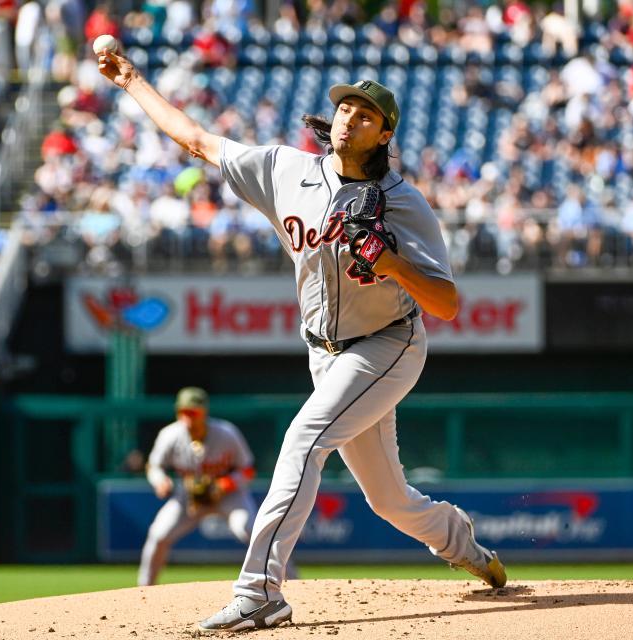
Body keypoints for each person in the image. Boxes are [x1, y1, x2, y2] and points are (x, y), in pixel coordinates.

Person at [97, 48, 506, 633]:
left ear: (385, 132)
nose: (349, 118)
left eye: (366, 114)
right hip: (323, 350)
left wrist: (393, 264)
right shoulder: (286, 171)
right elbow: (197, 140)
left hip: (388, 344)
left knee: (304, 438)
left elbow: (446, 303)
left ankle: (261, 591)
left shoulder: (404, 203)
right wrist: (132, 80)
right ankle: (463, 545)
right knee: (388, 499)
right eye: (344, 107)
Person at [138, 387, 257, 587]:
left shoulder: (226, 433)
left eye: (194, 412)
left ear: (204, 413)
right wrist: (159, 481)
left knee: (251, 531)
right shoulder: (170, 435)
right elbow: (153, 466)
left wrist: (226, 483)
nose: (189, 417)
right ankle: (143, 591)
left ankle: (293, 582)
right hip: (188, 497)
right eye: (184, 412)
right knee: (158, 535)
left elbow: (248, 470)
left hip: (228, 495)